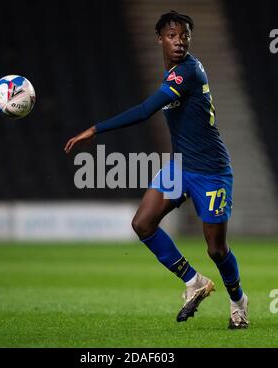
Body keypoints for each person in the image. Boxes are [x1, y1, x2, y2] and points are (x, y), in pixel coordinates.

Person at [64, 11, 249, 329]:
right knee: (143, 223)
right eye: (172, 35)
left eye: (184, 35)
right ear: (160, 39)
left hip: (211, 172)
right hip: (180, 168)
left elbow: (146, 110)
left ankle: (238, 302)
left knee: (217, 249)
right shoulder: (175, 72)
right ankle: (193, 281)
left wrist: (95, 130)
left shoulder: (187, 72)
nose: (179, 41)